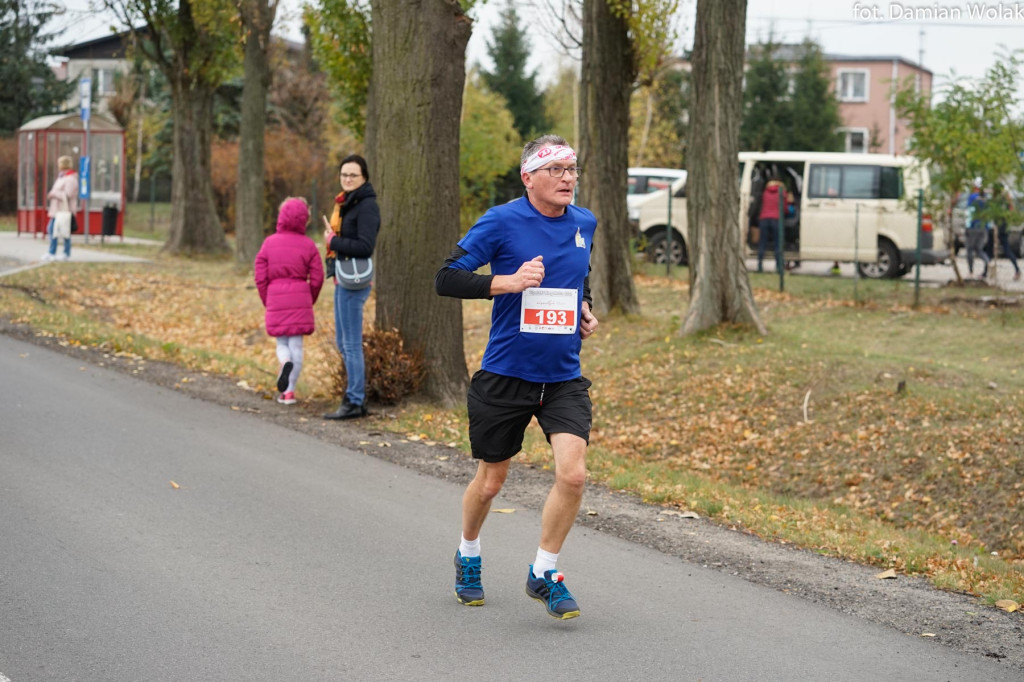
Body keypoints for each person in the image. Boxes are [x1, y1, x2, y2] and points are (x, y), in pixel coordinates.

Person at [434, 134, 598, 620]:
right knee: (489, 484)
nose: (568, 178)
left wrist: (586, 309)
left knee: (574, 474)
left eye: (573, 169)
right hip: (506, 374)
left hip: (563, 377)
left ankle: (544, 572)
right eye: (557, 170)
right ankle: (468, 553)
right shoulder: (502, 221)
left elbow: (581, 277)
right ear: (529, 177)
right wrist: (505, 282)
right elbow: (446, 276)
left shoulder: (585, 222)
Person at [322, 154, 380, 420]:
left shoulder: (366, 205)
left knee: (351, 344)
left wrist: (333, 242)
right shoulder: (346, 203)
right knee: (343, 343)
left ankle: (355, 401)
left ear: (363, 177)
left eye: (352, 175)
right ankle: (353, 396)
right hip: (342, 279)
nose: (347, 179)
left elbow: (365, 246)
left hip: (354, 283)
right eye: (344, 174)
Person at [254, 197, 325, 405]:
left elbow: (259, 275)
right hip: (300, 296)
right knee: (297, 345)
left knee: (281, 342)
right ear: (305, 219)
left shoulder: (269, 243)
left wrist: (267, 298)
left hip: (276, 297)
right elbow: (318, 277)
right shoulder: (309, 245)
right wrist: (309, 298)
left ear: (281, 216)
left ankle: (284, 362)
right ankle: (289, 392)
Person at [42, 156, 79, 262]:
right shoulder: (62, 177)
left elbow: (67, 194)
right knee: (54, 230)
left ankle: (62, 253)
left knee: (62, 231)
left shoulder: (71, 179)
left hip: (64, 210)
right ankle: (54, 252)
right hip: (57, 210)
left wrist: (54, 193)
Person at [989, 183, 1021, 281]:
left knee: (1001, 249)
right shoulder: (1006, 198)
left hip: (1000, 226)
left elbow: (996, 213)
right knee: (993, 249)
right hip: (1003, 225)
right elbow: (1010, 210)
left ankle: (1017, 269)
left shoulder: (999, 200)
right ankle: (987, 272)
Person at [757, 174, 785, 273]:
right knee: (778, 243)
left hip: (764, 218)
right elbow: (784, 208)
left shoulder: (765, 192)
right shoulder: (781, 192)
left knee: (762, 242)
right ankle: (779, 267)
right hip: (776, 219)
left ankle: (759, 265)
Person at [965, 183, 991, 278]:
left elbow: (969, 212)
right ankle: (988, 263)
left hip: (973, 226)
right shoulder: (986, 198)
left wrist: (967, 226)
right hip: (984, 227)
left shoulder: (972, 197)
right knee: (979, 250)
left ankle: (971, 271)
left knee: (969, 249)